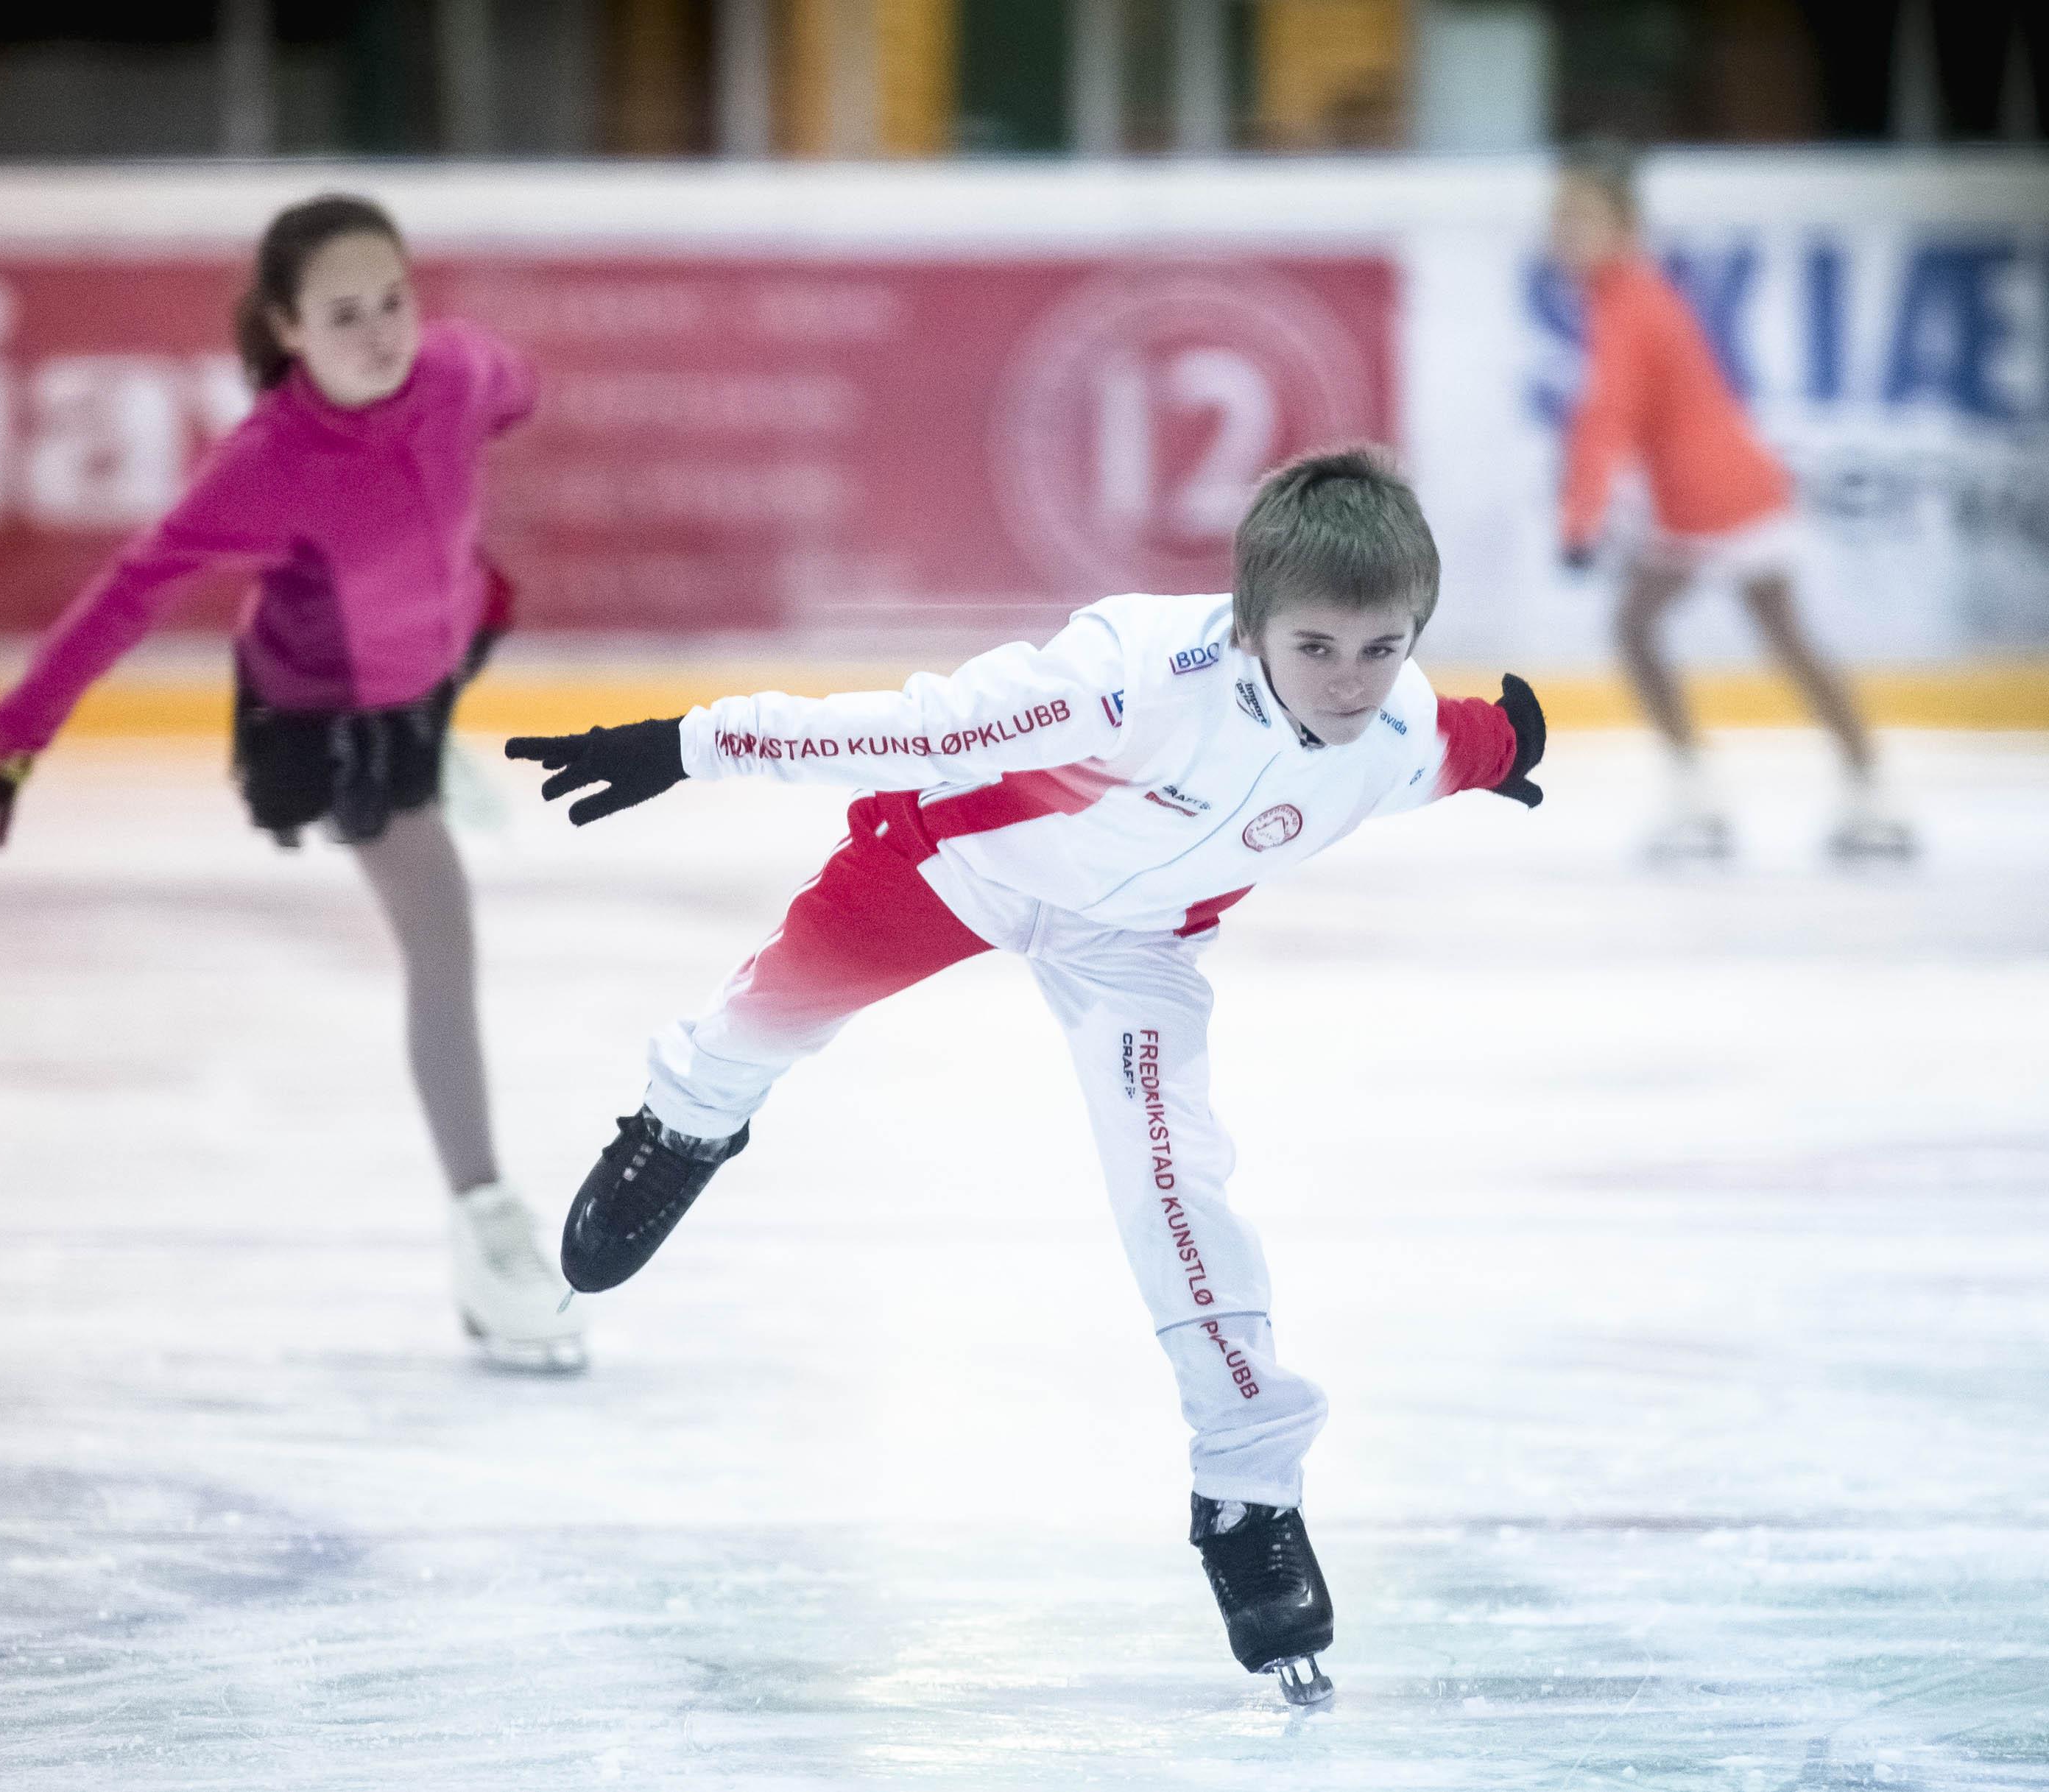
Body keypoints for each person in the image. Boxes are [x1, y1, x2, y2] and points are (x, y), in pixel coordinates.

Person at [507, 448, 1546, 1704]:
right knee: (756, 1029)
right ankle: (687, 1121)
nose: (1348, 680)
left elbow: (1465, 742)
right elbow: (921, 723)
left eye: (1380, 648)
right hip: (955, 866)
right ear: (1248, 621)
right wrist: (690, 740)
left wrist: (1511, 740)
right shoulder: (1130, 677)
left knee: (1178, 1189)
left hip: (1139, 948)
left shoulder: (1394, 732)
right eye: (1315, 646)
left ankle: (1250, 1490)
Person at [0, 193, 587, 1371]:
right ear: (287, 329)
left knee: (449, 667)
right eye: (346, 315)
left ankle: (439, 746)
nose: (384, 332)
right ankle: (486, 1223)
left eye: (395, 300)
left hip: (440, 656)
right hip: (331, 714)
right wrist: (6, 743)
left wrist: (510, 386)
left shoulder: (456, 368)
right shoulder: (266, 467)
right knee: (443, 941)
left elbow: (513, 381)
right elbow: (125, 595)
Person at [1550, 140, 1914, 863]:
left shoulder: (1628, 304)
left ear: (1624, 229)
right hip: (1728, 488)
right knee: (1769, 634)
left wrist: (1581, 518)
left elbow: (1608, 415)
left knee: (1642, 628)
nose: (1563, 236)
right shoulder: (1634, 293)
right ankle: (1865, 785)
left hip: (1712, 500)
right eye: (1561, 220)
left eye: (1581, 221)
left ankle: (1705, 793)